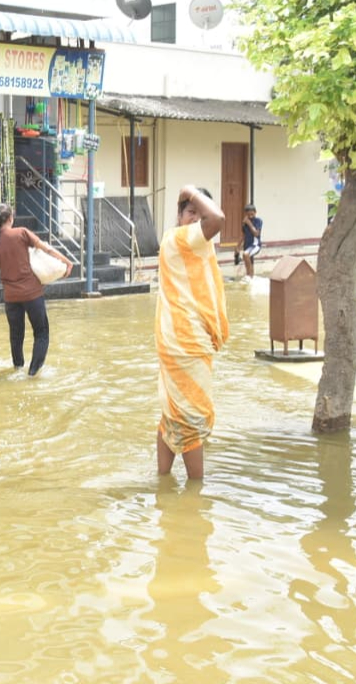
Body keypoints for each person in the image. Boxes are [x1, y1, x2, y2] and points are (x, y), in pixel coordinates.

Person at [155, 185, 228, 480]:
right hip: (184, 342)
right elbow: (219, 220)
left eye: (200, 213)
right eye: (191, 212)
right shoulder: (182, 238)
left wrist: (192, 200)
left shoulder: (189, 243)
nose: (197, 219)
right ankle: (196, 490)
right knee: (192, 415)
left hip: (179, 339)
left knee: (173, 412)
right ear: (179, 214)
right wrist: (189, 191)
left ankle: (162, 481)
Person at [0, 203, 72, 376]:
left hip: (10, 297)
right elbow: (46, 248)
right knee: (41, 333)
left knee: (16, 336)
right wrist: (67, 262)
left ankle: (18, 369)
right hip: (32, 293)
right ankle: (33, 373)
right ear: (11, 218)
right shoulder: (21, 233)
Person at [240, 203, 263, 280]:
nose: (250, 216)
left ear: (255, 212)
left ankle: (249, 275)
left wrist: (249, 223)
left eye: (252, 214)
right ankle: (251, 276)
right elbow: (243, 236)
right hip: (247, 245)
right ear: (245, 214)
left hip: (255, 245)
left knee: (246, 254)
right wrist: (237, 247)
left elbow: (256, 234)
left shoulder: (258, 221)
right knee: (250, 261)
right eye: (248, 214)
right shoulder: (244, 224)